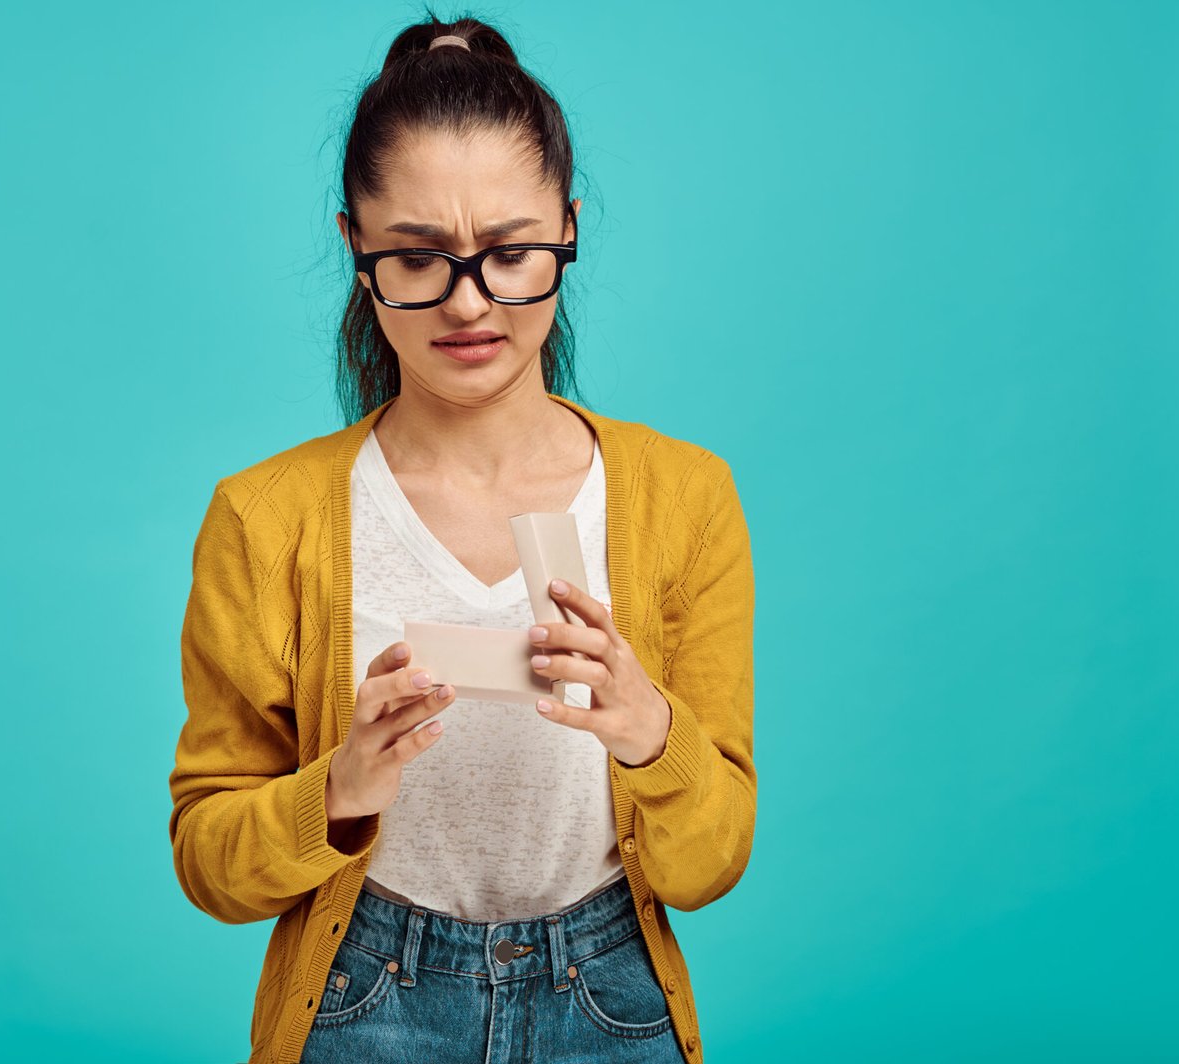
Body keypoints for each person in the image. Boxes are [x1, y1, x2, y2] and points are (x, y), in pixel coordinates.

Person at [168, 15, 755, 1064]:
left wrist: (648, 730)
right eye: (417, 258)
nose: (470, 302)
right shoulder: (266, 517)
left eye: (512, 252)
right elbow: (209, 862)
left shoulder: (684, 496)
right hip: (363, 999)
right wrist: (336, 788)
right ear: (354, 245)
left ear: (569, 230)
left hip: (610, 994)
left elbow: (710, 864)